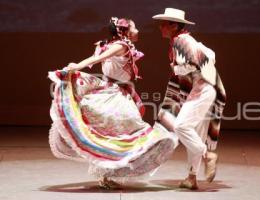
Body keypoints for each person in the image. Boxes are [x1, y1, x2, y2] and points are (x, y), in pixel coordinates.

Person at [48, 17, 177, 189]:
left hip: (118, 92)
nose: (138, 30)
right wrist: (77, 66)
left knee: (119, 133)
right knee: (128, 131)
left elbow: (98, 57)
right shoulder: (120, 46)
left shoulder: (112, 45)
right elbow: (95, 60)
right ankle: (108, 173)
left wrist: (77, 65)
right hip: (113, 95)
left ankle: (107, 174)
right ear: (125, 32)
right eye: (135, 27)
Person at [152, 8, 226, 189]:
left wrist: (175, 68)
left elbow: (192, 64)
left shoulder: (181, 41)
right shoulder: (186, 39)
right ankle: (192, 178)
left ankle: (208, 155)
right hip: (202, 88)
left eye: (164, 24)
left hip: (204, 89)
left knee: (181, 126)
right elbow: (211, 54)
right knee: (197, 133)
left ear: (174, 26)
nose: (161, 27)